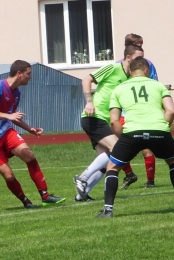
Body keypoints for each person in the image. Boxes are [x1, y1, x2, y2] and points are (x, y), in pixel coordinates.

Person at [0, 60, 66, 208]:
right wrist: (8, 116)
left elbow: (12, 116)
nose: (30, 77)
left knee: (29, 156)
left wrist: (29, 128)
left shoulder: (16, 92)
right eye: (28, 74)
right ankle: (25, 201)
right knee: (9, 175)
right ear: (19, 74)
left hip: (5, 132)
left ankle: (45, 195)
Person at [96, 57, 174, 218]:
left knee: (112, 168)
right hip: (159, 130)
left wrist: (123, 137)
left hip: (132, 133)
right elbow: (171, 111)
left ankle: (108, 210)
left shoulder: (119, 89)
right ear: (146, 71)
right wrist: (163, 127)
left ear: (130, 72)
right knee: (172, 162)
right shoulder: (158, 86)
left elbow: (114, 120)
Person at [74, 45, 144, 201]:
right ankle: (83, 177)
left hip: (105, 120)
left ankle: (82, 195)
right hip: (93, 116)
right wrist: (89, 102)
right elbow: (87, 79)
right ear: (128, 57)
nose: (141, 61)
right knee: (116, 148)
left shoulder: (130, 78)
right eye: (138, 57)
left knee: (108, 161)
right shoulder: (112, 68)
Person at [118, 33, 158, 189]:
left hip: (143, 111)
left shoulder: (148, 64)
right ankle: (129, 174)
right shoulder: (118, 66)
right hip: (125, 113)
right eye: (138, 45)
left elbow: (154, 83)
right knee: (118, 146)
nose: (141, 48)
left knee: (146, 146)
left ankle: (150, 181)